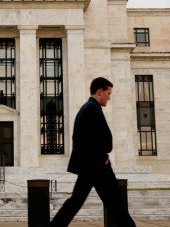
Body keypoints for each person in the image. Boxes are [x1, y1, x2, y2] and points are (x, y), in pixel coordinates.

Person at [50, 77, 136, 227]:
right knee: (116, 205)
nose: (109, 97)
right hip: (97, 167)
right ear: (100, 91)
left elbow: (82, 138)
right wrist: (102, 157)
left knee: (78, 202)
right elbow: (96, 139)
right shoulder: (92, 109)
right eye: (108, 93)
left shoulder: (86, 108)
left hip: (90, 166)